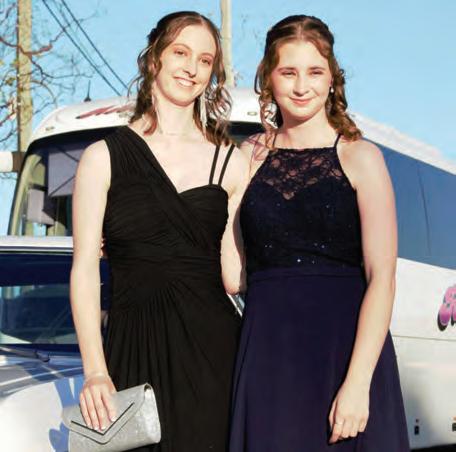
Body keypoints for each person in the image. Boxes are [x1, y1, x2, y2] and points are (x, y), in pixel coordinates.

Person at [229, 15, 410, 451]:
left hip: (345, 355)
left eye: (314, 72)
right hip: (270, 357)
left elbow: (382, 277)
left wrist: (358, 383)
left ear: (332, 78)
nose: (301, 86)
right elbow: (232, 276)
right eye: (288, 72)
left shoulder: (361, 157)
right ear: (268, 78)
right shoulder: (246, 156)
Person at [70, 11, 249, 452]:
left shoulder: (231, 160)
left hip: (214, 357)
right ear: (154, 58)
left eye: (205, 60)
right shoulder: (102, 157)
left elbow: (234, 276)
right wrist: (95, 370)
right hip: (131, 353)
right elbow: (84, 271)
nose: (192, 68)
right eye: (181, 53)